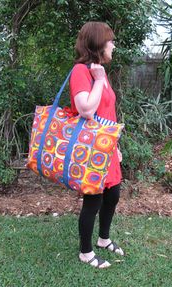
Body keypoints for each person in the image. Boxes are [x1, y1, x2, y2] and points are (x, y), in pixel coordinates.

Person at [69, 22, 124, 269]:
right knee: (93, 200)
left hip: (106, 148)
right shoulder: (82, 71)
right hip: (91, 150)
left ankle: (103, 240)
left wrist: (116, 146)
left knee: (113, 195)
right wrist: (99, 80)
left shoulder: (100, 71)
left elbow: (108, 113)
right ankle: (85, 251)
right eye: (110, 40)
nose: (113, 44)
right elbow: (86, 110)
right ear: (98, 43)